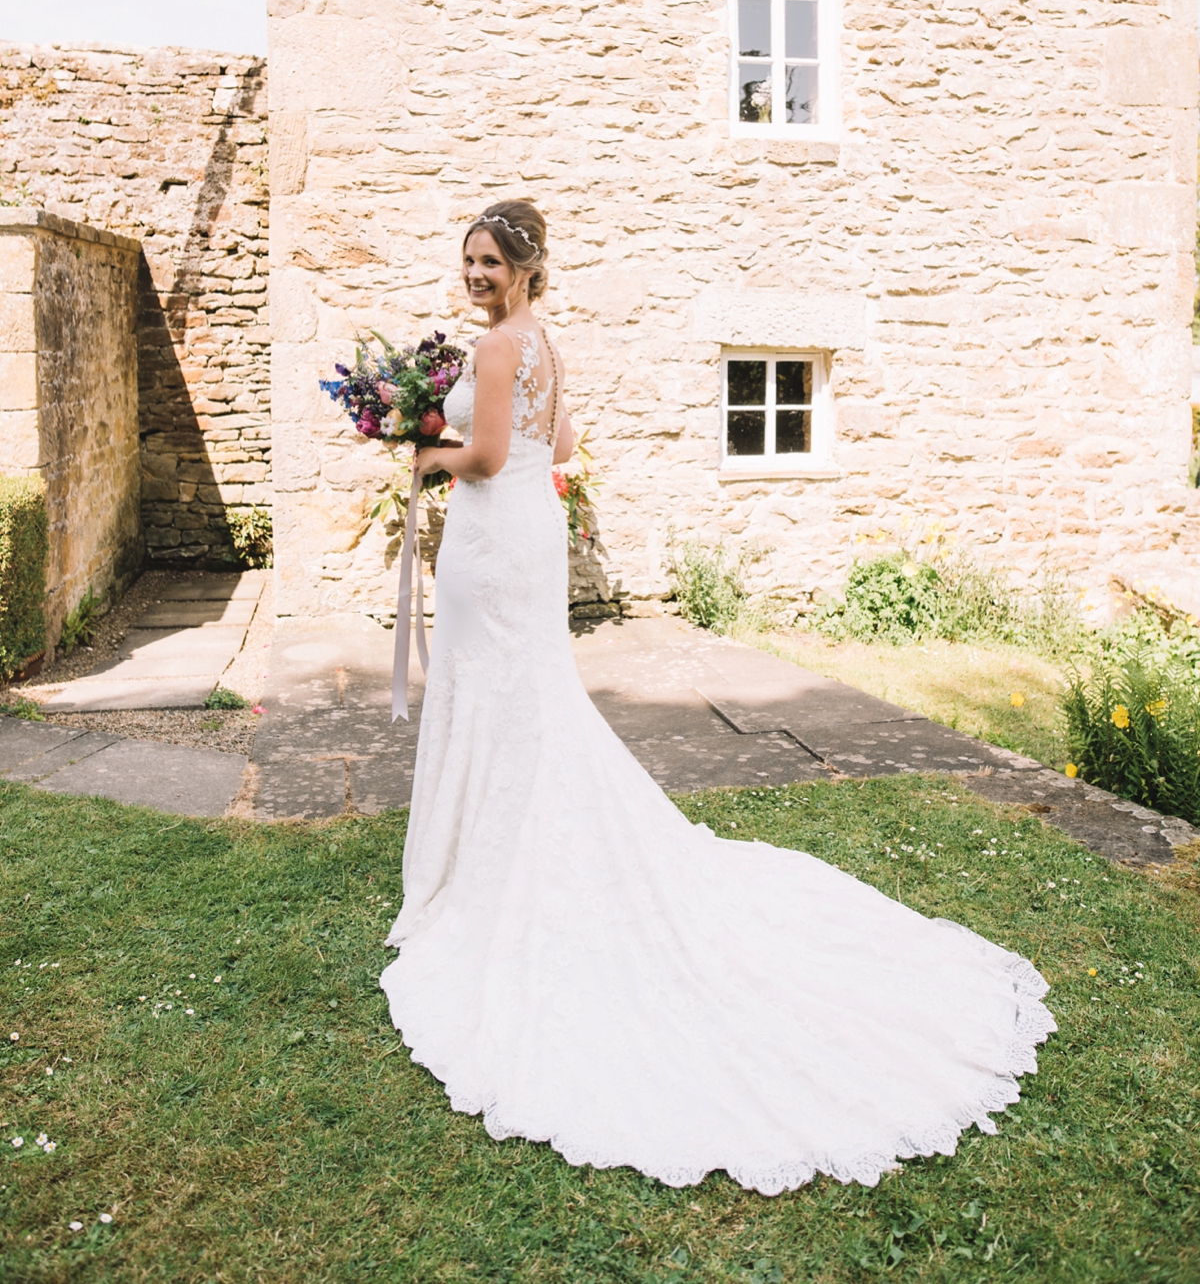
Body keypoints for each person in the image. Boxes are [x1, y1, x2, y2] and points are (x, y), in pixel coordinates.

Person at [379, 198, 1054, 1194]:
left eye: (490, 261)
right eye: (469, 260)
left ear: (524, 267)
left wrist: (424, 450)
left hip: (492, 535)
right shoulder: (544, 344)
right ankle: (498, 840)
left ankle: (481, 865)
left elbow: (482, 457)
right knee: (529, 699)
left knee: (499, 696)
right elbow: (560, 444)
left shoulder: (492, 349)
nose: (476, 274)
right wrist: (462, 436)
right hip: (531, 535)